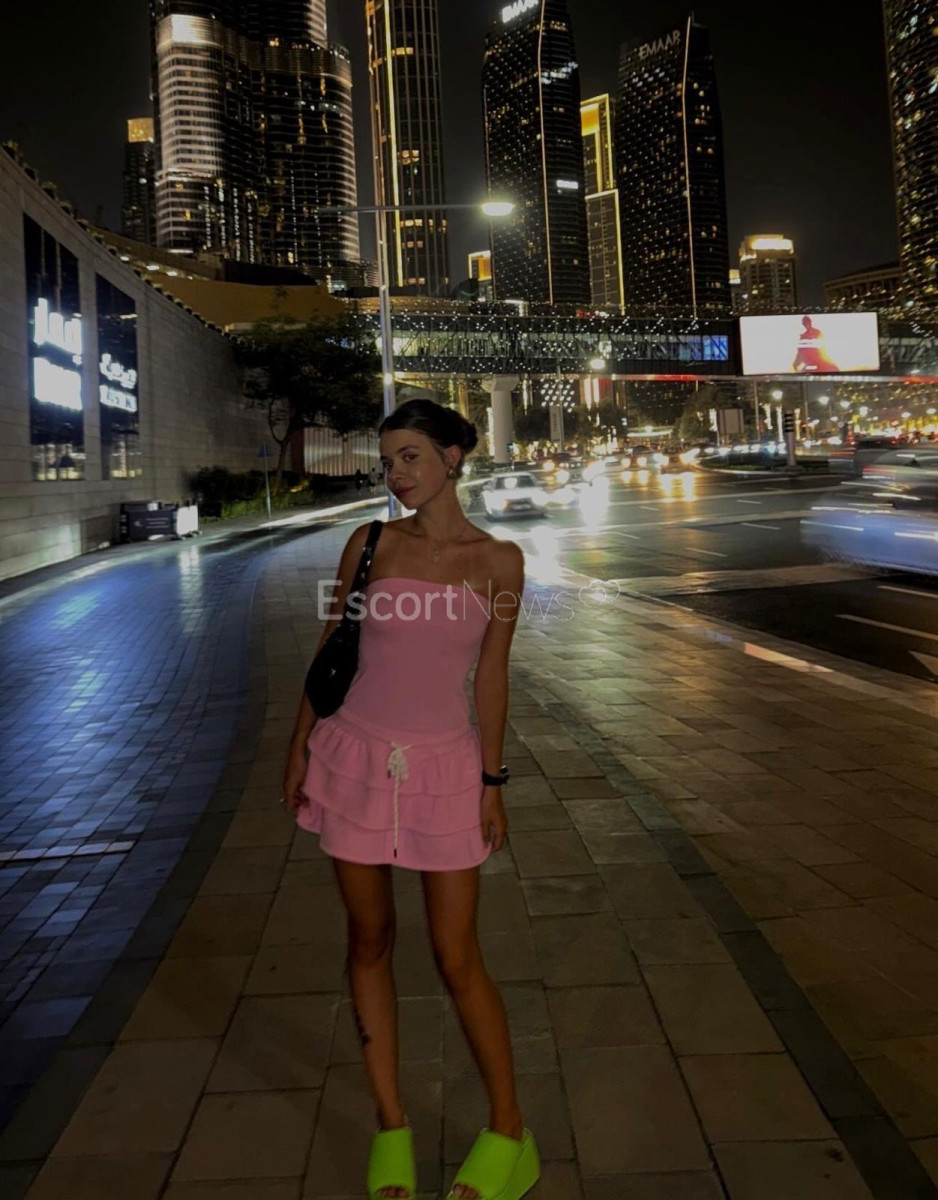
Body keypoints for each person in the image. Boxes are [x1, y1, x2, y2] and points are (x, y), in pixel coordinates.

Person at [282, 400, 538, 1200]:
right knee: (369, 939)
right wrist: (299, 747)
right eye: (389, 459)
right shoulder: (371, 544)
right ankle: (391, 1122)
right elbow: (333, 646)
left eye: (411, 456)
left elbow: (491, 676)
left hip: (444, 770)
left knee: (457, 957)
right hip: (354, 758)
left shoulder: (499, 561)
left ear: (453, 457)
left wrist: (492, 782)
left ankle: (510, 1131)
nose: (395, 474)